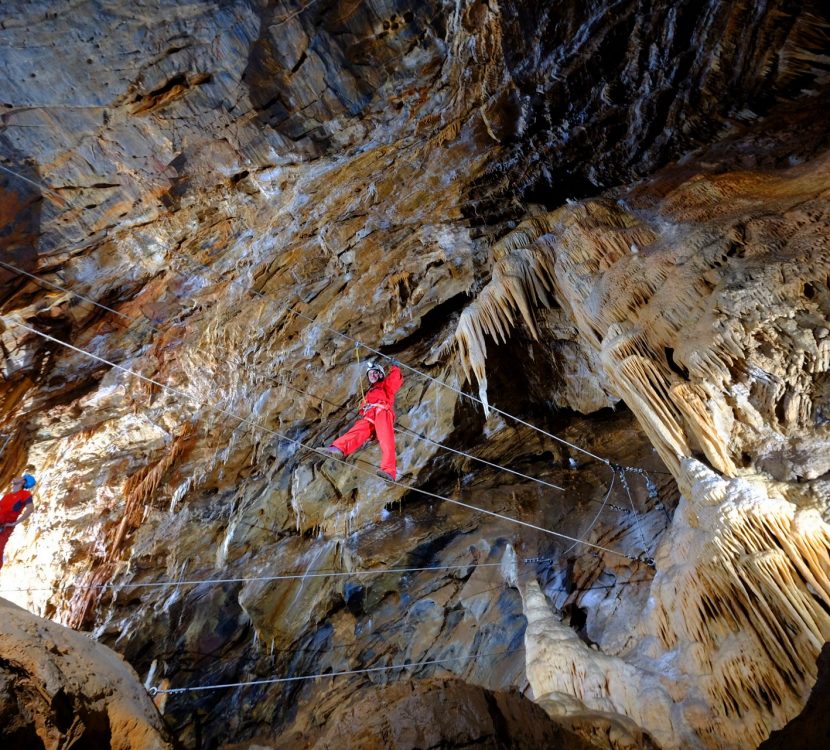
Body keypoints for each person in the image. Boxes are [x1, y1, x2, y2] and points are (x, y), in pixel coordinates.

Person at [327, 361, 403, 480]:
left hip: (382, 412)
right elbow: (363, 409)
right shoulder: (370, 392)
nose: (372, 375)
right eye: (370, 374)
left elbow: (394, 381)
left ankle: (389, 472)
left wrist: (395, 368)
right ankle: (338, 448)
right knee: (356, 431)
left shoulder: (385, 385)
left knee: (386, 440)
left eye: (375, 373)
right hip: (369, 416)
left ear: (381, 375)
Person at [0, 473, 35, 571]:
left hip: (4, 527)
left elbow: (30, 509)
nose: (15, 477)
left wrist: (14, 523)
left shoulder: (25, 494)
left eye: (19, 477)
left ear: (23, 481)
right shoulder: (7, 496)